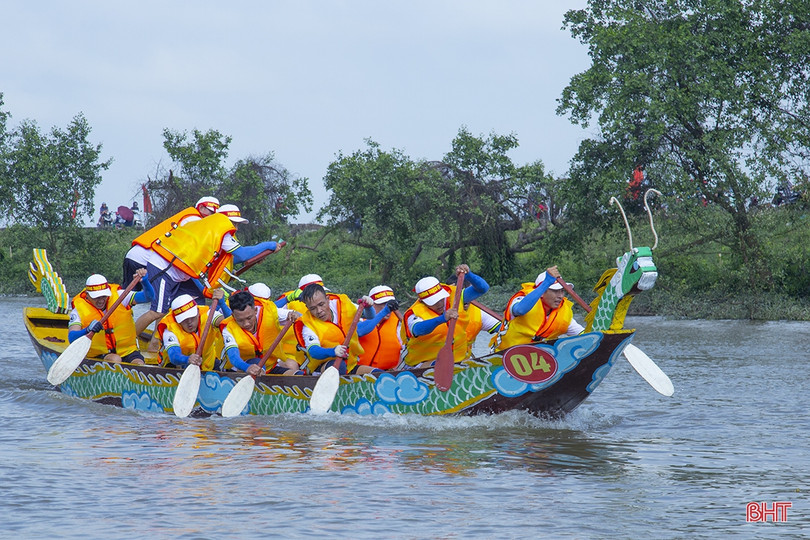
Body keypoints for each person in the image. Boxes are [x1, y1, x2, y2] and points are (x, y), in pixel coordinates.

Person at [141, 203, 281, 335]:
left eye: (237, 224)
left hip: (182, 274)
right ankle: (132, 341)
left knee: (198, 302)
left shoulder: (213, 231)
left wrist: (257, 256)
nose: (236, 228)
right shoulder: (221, 231)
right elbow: (243, 254)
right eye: (234, 223)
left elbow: (232, 260)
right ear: (222, 219)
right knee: (157, 311)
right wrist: (270, 245)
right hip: (165, 268)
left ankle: (163, 341)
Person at [400, 264, 489, 368]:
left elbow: (482, 288)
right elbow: (418, 329)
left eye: (440, 298)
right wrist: (443, 319)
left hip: (458, 362)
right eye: (433, 301)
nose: (439, 304)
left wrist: (468, 275)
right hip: (421, 364)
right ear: (422, 301)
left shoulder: (454, 296)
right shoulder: (414, 313)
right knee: (440, 365)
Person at [293, 283, 385, 376]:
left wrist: (369, 307)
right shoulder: (307, 324)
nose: (319, 311)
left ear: (327, 299)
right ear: (307, 308)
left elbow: (370, 316)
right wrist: (334, 351)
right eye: (313, 308)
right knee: (339, 367)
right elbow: (313, 351)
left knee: (380, 375)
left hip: (349, 364)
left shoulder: (342, 303)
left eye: (321, 304)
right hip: (322, 366)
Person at [67, 269, 155, 365]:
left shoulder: (120, 296)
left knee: (138, 363)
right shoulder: (78, 310)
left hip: (127, 351)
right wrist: (87, 330)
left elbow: (149, 297)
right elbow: (72, 338)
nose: (101, 300)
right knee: (115, 359)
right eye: (97, 297)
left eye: (104, 296)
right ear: (87, 295)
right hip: (100, 354)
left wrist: (145, 282)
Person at [491, 265, 585, 352]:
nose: (560, 296)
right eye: (555, 291)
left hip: (535, 363)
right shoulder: (521, 299)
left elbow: (585, 336)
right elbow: (520, 310)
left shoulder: (563, 314)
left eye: (562, 291)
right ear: (542, 292)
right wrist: (546, 283)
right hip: (503, 358)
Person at [220, 290, 302, 376]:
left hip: (269, 366)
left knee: (297, 373)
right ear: (233, 316)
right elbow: (234, 357)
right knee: (256, 362)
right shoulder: (228, 328)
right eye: (240, 320)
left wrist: (295, 315)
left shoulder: (268, 312)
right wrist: (247, 368)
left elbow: (298, 315)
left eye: (249, 318)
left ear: (255, 310)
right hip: (243, 368)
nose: (246, 324)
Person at [155, 289, 229, 370]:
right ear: (177, 319)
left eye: (192, 317)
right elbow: (174, 355)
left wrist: (222, 304)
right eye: (184, 319)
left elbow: (229, 324)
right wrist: (187, 359)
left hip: (208, 364)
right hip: (178, 366)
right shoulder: (169, 327)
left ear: (197, 312)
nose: (189, 322)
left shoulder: (208, 314)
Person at [357, 285, 403, 370]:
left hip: (389, 374)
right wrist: (383, 313)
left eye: (390, 304)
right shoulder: (360, 318)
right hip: (359, 373)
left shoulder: (398, 323)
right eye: (384, 304)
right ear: (372, 305)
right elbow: (360, 331)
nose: (388, 307)